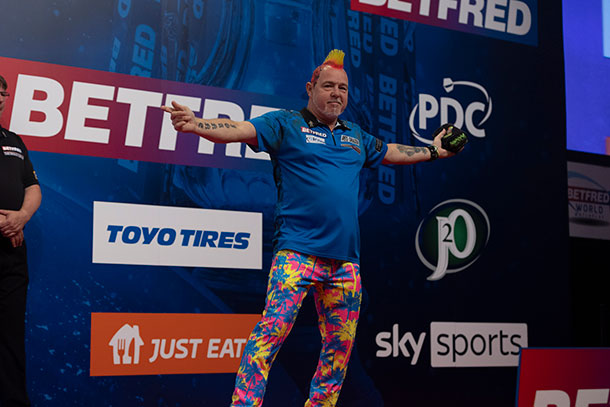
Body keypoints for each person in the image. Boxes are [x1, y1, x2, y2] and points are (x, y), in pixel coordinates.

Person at [162, 50, 464, 407]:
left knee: (339, 349)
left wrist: (435, 151)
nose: (336, 93)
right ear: (310, 88)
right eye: (328, 86)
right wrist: (197, 124)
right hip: (296, 254)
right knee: (269, 337)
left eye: (343, 88)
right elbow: (240, 129)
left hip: (345, 264)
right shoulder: (285, 124)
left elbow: (392, 152)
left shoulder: (356, 136)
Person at [0, 74, 42, 407]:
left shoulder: (14, 141)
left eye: (4, 92)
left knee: (11, 338)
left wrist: (22, 217)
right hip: (8, 233)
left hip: (11, 252)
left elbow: (33, 186)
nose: (0, 97)